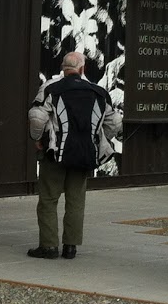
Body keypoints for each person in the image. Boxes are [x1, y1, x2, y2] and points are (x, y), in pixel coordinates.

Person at [26, 51, 123, 259]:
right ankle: (70, 247)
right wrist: (99, 139)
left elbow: (36, 116)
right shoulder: (99, 92)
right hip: (85, 154)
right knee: (76, 200)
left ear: (63, 68)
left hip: (55, 153)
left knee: (48, 199)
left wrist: (37, 139)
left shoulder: (51, 88)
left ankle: (49, 246)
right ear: (82, 69)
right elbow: (114, 123)